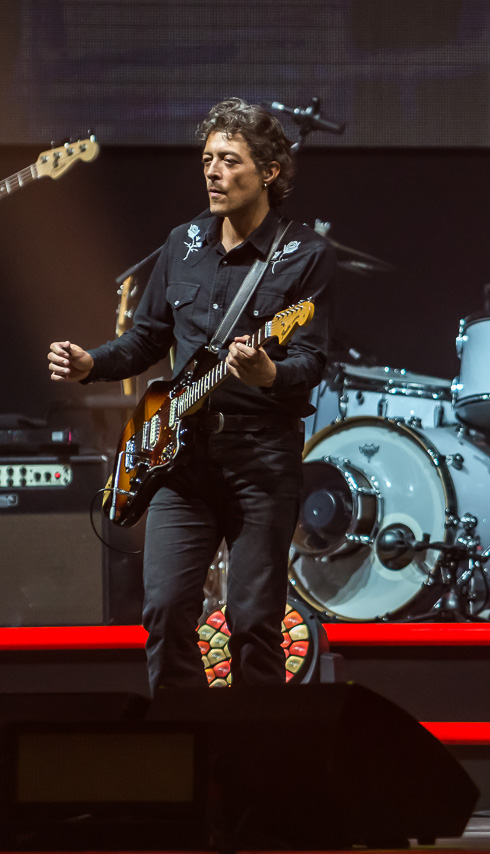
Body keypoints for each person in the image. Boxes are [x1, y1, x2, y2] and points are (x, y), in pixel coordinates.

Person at [48, 98, 334, 692]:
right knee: (164, 612)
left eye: (229, 160)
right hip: (178, 461)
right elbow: (146, 339)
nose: (212, 172)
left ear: (269, 171)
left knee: (254, 625)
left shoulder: (304, 253)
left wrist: (268, 374)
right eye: (207, 159)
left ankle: (254, 743)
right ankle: (182, 737)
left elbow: (310, 359)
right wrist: (90, 364)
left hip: (261, 461)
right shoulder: (182, 243)